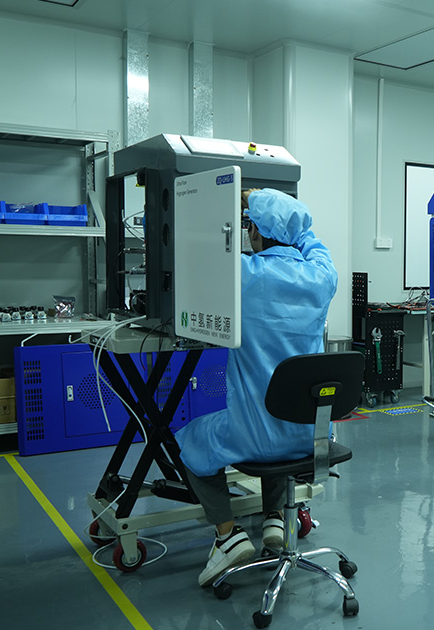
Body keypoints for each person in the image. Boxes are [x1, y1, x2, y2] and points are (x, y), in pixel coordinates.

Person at [174, 188, 338, 586]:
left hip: (255, 437)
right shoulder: (322, 276)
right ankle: (274, 520)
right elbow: (309, 238)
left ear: (253, 232)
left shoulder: (243, 275)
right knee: (280, 417)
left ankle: (228, 536)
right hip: (311, 436)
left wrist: (232, 198)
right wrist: (268, 204)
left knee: (190, 440)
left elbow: (199, 253)